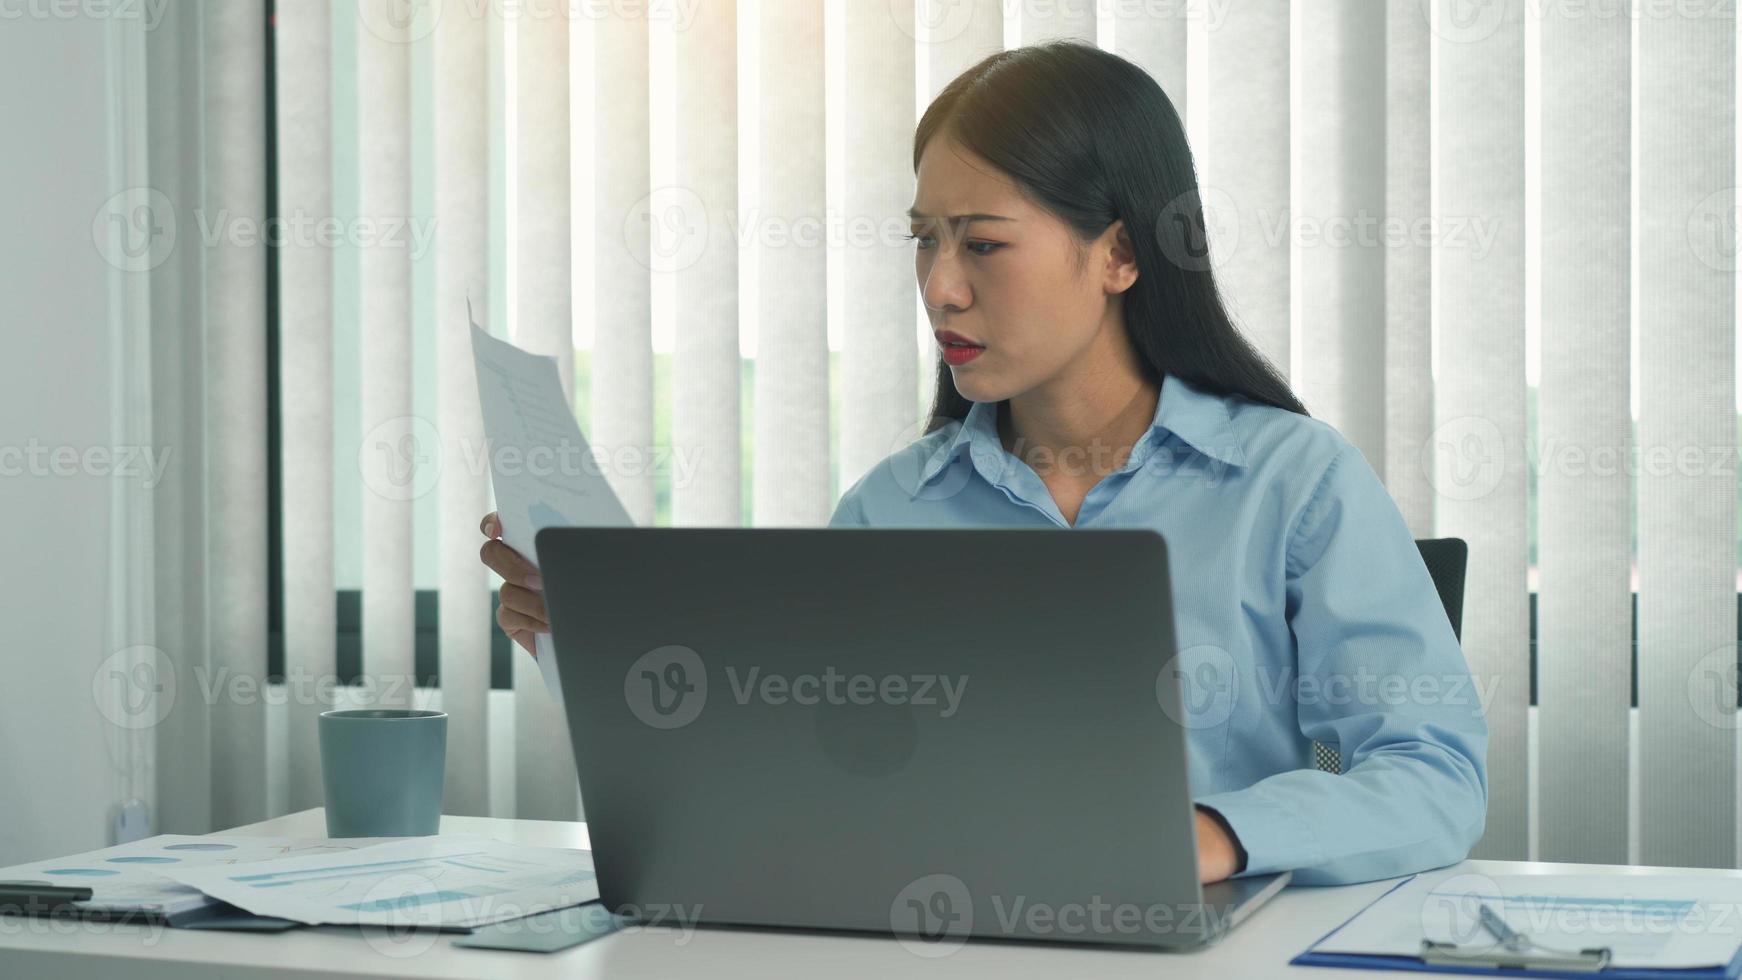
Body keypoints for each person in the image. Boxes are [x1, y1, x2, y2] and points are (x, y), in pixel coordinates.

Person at [480, 41, 1488, 888]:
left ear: (1121, 255)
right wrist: (601, 652)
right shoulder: (886, 510)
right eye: (923, 242)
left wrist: (1210, 836)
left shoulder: (1291, 481)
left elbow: (1433, 776)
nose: (941, 289)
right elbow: (795, 793)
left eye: (983, 245)